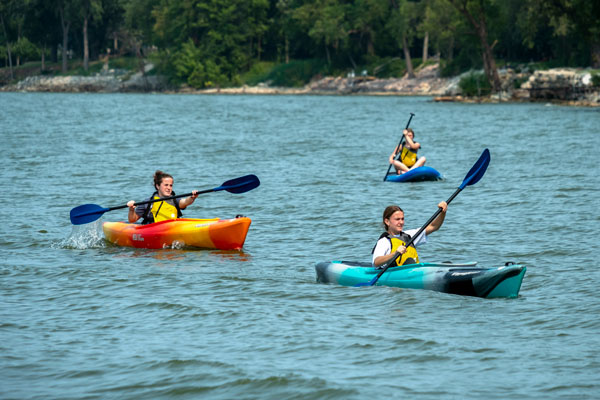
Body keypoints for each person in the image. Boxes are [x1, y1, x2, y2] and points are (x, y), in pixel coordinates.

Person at [372, 201, 448, 268]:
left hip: (412, 271)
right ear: (387, 221)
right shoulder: (384, 241)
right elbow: (376, 262)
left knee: (447, 263)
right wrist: (394, 254)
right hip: (394, 274)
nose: (401, 222)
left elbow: (433, 226)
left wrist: (443, 212)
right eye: (397, 219)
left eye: (402, 219)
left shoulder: (409, 236)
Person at [126, 170, 199, 224]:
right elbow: (132, 220)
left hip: (172, 228)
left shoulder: (174, 200)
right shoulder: (148, 202)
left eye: (171, 185)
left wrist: (192, 197)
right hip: (153, 230)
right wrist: (131, 209)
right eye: (166, 185)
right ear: (158, 186)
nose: (169, 188)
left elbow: (185, 202)